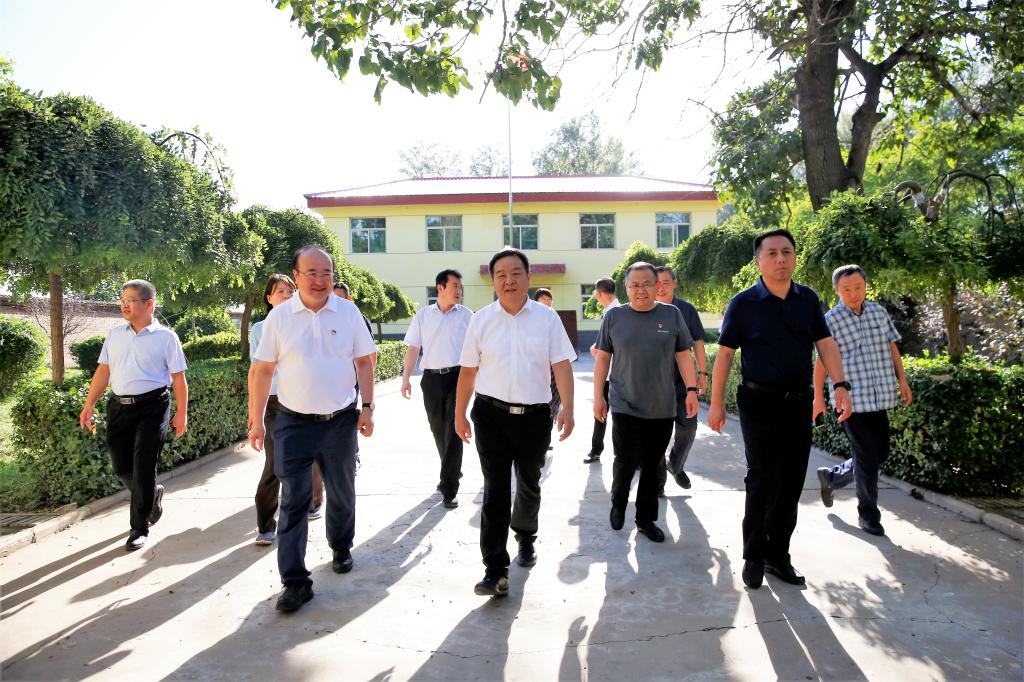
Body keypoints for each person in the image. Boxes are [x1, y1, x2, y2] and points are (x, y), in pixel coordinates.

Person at [707, 229, 852, 590]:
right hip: (758, 401)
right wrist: (716, 402)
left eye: (786, 251)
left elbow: (825, 344)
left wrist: (840, 385)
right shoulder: (743, 303)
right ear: (759, 262)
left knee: (791, 480)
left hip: (798, 402)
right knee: (762, 477)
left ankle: (778, 555)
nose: (780, 258)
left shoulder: (808, 299)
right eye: (771, 253)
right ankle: (754, 555)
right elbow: (725, 355)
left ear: (795, 257)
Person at [249, 245, 377, 613]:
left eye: (326, 273)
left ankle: (341, 546)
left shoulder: (348, 312)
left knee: (342, 490)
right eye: (312, 273)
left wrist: (367, 407)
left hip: (340, 420)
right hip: (293, 422)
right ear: (297, 276)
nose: (320, 280)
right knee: (294, 499)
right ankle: (294, 582)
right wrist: (256, 420)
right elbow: (262, 370)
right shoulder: (280, 318)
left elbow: (364, 362)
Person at [455, 247, 576, 597]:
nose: (509, 281)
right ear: (493, 281)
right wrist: (459, 413)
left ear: (528, 277)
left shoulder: (546, 319)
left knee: (528, 482)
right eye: (501, 275)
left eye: (515, 273)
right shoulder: (481, 320)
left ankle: (525, 536)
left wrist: (568, 409)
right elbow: (468, 371)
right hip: (490, 415)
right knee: (495, 490)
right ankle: (495, 570)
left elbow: (561, 365)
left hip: (534, 417)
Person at [78, 279, 188, 551]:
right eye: (122, 300)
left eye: (130, 300)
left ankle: (139, 528)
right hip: (118, 407)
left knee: (143, 468)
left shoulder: (166, 338)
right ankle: (152, 493)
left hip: (153, 406)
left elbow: (178, 378)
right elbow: (103, 371)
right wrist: (89, 404)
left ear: (149, 304)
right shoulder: (115, 335)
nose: (124, 304)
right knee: (121, 468)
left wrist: (181, 413)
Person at [594, 262, 699, 543]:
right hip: (624, 402)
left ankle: (645, 519)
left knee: (653, 465)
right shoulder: (614, 316)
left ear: (657, 286)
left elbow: (683, 355)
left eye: (647, 284)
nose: (641, 290)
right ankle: (618, 503)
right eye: (635, 285)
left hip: (661, 405)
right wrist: (598, 396)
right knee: (625, 460)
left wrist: (691, 390)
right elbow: (603, 358)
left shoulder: (671, 314)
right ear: (626, 288)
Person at [812, 264, 913, 537]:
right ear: (836, 290)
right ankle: (868, 515)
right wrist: (818, 398)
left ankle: (833, 477)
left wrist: (903, 381)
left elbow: (892, 347)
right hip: (851, 400)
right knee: (867, 456)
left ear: (865, 286)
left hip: (880, 396)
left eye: (858, 287)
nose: (853, 293)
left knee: (879, 454)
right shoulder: (830, 320)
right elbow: (821, 361)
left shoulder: (879, 313)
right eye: (846, 289)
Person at [250, 274, 324, 545]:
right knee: (274, 462)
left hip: (302, 399)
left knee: (309, 457)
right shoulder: (260, 328)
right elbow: (255, 371)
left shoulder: (306, 322)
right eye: (279, 291)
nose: (285, 295)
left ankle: (313, 503)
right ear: (269, 298)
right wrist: (254, 413)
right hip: (273, 403)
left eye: (290, 291)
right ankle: (266, 525)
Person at [400, 269, 472, 509]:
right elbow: (413, 348)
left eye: (460, 287)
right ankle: (451, 469)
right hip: (431, 380)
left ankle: (449, 488)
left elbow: (477, 350)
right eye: (454, 286)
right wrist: (406, 378)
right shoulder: (423, 316)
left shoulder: (467, 316)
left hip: (458, 378)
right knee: (438, 430)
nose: (459, 290)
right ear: (440, 288)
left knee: (454, 429)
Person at [653, 265, 708, 494]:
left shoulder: (686, 310)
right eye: (656, 283)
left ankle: (675, 464)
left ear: (675, 283)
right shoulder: (645, 309)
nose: (661, 287)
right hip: (654, 385)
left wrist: (702, 373)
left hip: (684, 383)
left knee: (689, 427)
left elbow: (698, 342)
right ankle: (657, 485)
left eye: (666, 282)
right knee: (657, 436)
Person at [583, 277, 620, 464]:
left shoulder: (616, 312)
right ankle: (596, 450)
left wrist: (599, 349)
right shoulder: (610, 311)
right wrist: (597, 346)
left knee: (619, 418)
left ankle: (625, 456)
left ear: (598, 294)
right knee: (601, 413)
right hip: (607, 374)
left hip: (616, 375)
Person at [532, 288, 562, 435]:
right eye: (543, 298)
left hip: (553, 367)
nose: (547, 301)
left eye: (549, 298)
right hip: (537, 366)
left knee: (554, 399)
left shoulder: (554, 317)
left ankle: (546, 433)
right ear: (536, 300)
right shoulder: (530, 317)